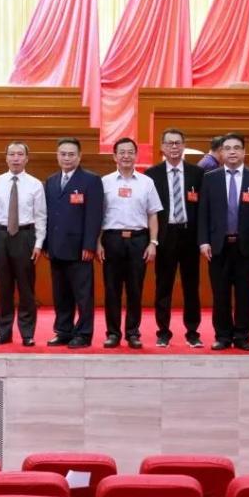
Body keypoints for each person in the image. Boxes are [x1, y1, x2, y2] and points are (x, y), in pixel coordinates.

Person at [197, 133, 249, 350]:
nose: (232, 152)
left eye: (237, 148)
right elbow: (203, 213)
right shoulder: (210, 178)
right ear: (221, 152)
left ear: (244, 152)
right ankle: (222, 336)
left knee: (244, 294)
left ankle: (242, 336)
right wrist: (203, 241)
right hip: (218, 246)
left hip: (246, 246)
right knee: (220, 294)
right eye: (227, 148)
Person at [99, 138, 161, 349]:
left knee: (135, 289)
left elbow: (153, 214)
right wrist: (98, 243)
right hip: (112, 240)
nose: (126, 156)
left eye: (130, 152)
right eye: (122, 152)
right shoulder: (105, 182)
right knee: (112, 289)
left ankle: (133, 333)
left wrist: (153, 242)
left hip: (138, 240)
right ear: (114, 156)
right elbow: (98, 215)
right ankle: (113, 333)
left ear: (136, 155)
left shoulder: (147, 182)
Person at [145, 128, 205, 347]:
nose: (174, 147)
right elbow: (149, 210)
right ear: (162, 147)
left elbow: (203, 208)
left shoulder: (197, 173)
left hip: (190, 235)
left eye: (177, 143)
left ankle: (193, 331)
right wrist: (152, 240)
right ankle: (163, 331)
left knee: (191, 285)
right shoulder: (152, 174)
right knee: (163, 285)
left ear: (184, 145)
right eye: (169, 143)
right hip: (165, 235)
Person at [43, 137, 103, 349]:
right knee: (61, 294)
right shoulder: (51, 181)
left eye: (71, 154)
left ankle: (84, 334)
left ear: (79, 156)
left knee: (83, 295)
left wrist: (89, 245)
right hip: (56, 247)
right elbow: (47, 215)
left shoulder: (91, 180)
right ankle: (63, 331)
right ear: (57, 156)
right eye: (63, 154)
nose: (67, 158)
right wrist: (46, 244)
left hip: (80, 249)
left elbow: (94, 216)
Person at [0, 141, 47, 346]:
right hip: (1, 236)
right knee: (4, 288)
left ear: (27, 158)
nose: (16, 158)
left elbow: (41, 216)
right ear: (6, 158)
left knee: (26, 288)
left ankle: (27, 333)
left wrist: (38, 244)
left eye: (20, 154)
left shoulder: (35, 184)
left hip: (25, 236)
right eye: (12, 154)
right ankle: (3, 332)